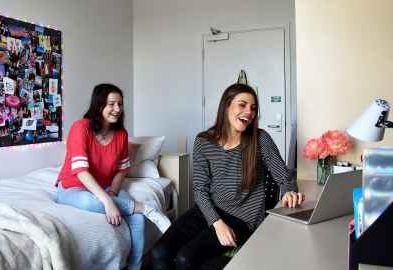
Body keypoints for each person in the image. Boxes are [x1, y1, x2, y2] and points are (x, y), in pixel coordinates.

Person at [151, 83, 304, 270]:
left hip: (242, 218)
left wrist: (289, 192)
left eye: (253, 108)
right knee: (160, 251)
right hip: (208, 210)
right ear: (226, 106)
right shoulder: (203, 141)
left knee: (186, 258)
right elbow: (200, 190)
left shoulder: (260, 139)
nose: (249, 111)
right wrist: (217, 222)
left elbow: (285, 177)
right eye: (242, 104)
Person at [56, 83, 171, 270]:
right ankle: (145, 208)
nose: (117, 109)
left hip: (107, 186)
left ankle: (135, 266)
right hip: (73, 186)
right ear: (99, 105)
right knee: (89, 202)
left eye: (120, 104)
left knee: (137, 219)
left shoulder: (121, 134)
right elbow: (81, 172)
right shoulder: (81, 128)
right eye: (111, 104)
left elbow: (122, 170)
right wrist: (107, 203)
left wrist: (113, 192)